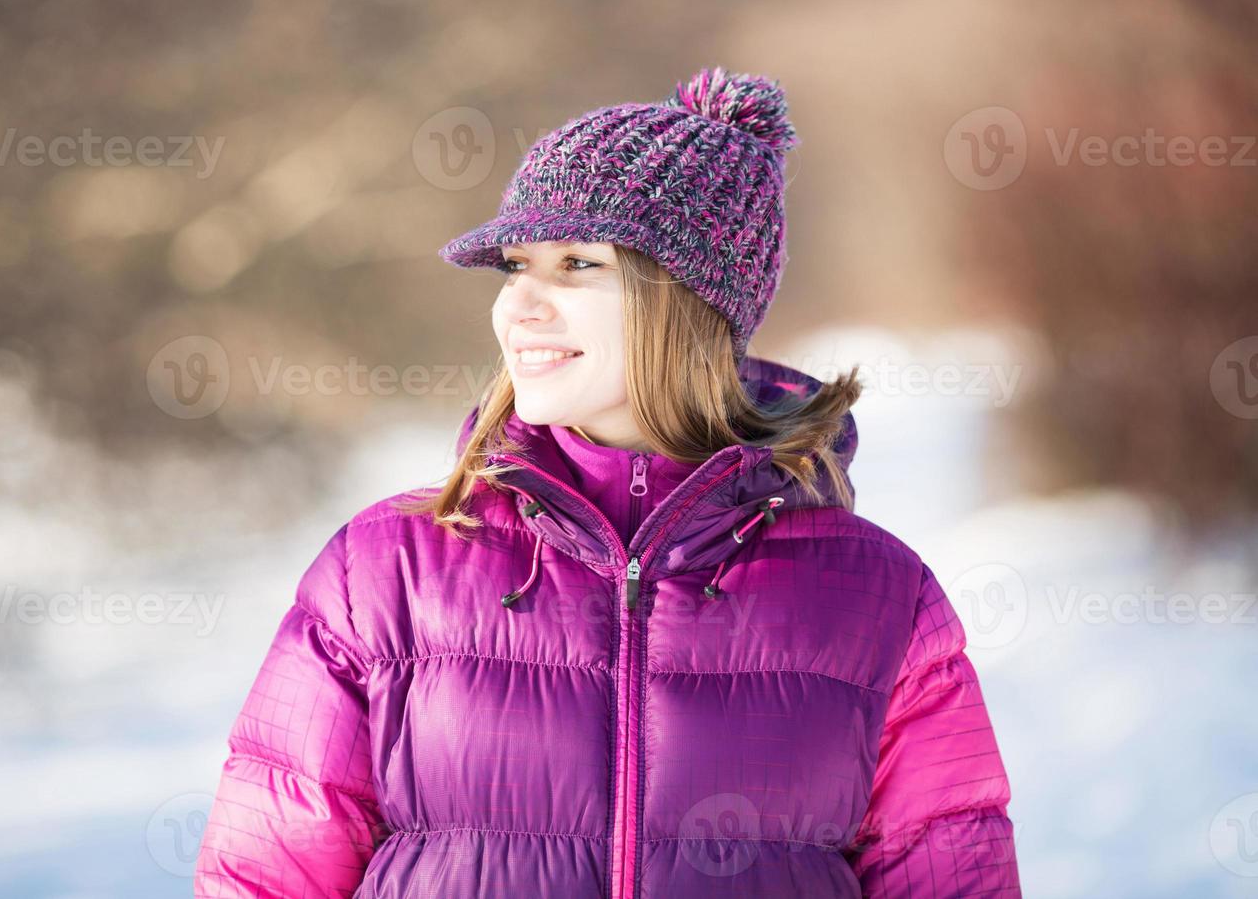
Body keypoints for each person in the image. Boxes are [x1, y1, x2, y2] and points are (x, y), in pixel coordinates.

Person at [194, 67, 1021, 897]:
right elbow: (264, 875)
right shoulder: (384, 572)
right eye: (516, 265)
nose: (520, 305)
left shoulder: (876, 594)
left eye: (577, 264)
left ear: (693, 302)